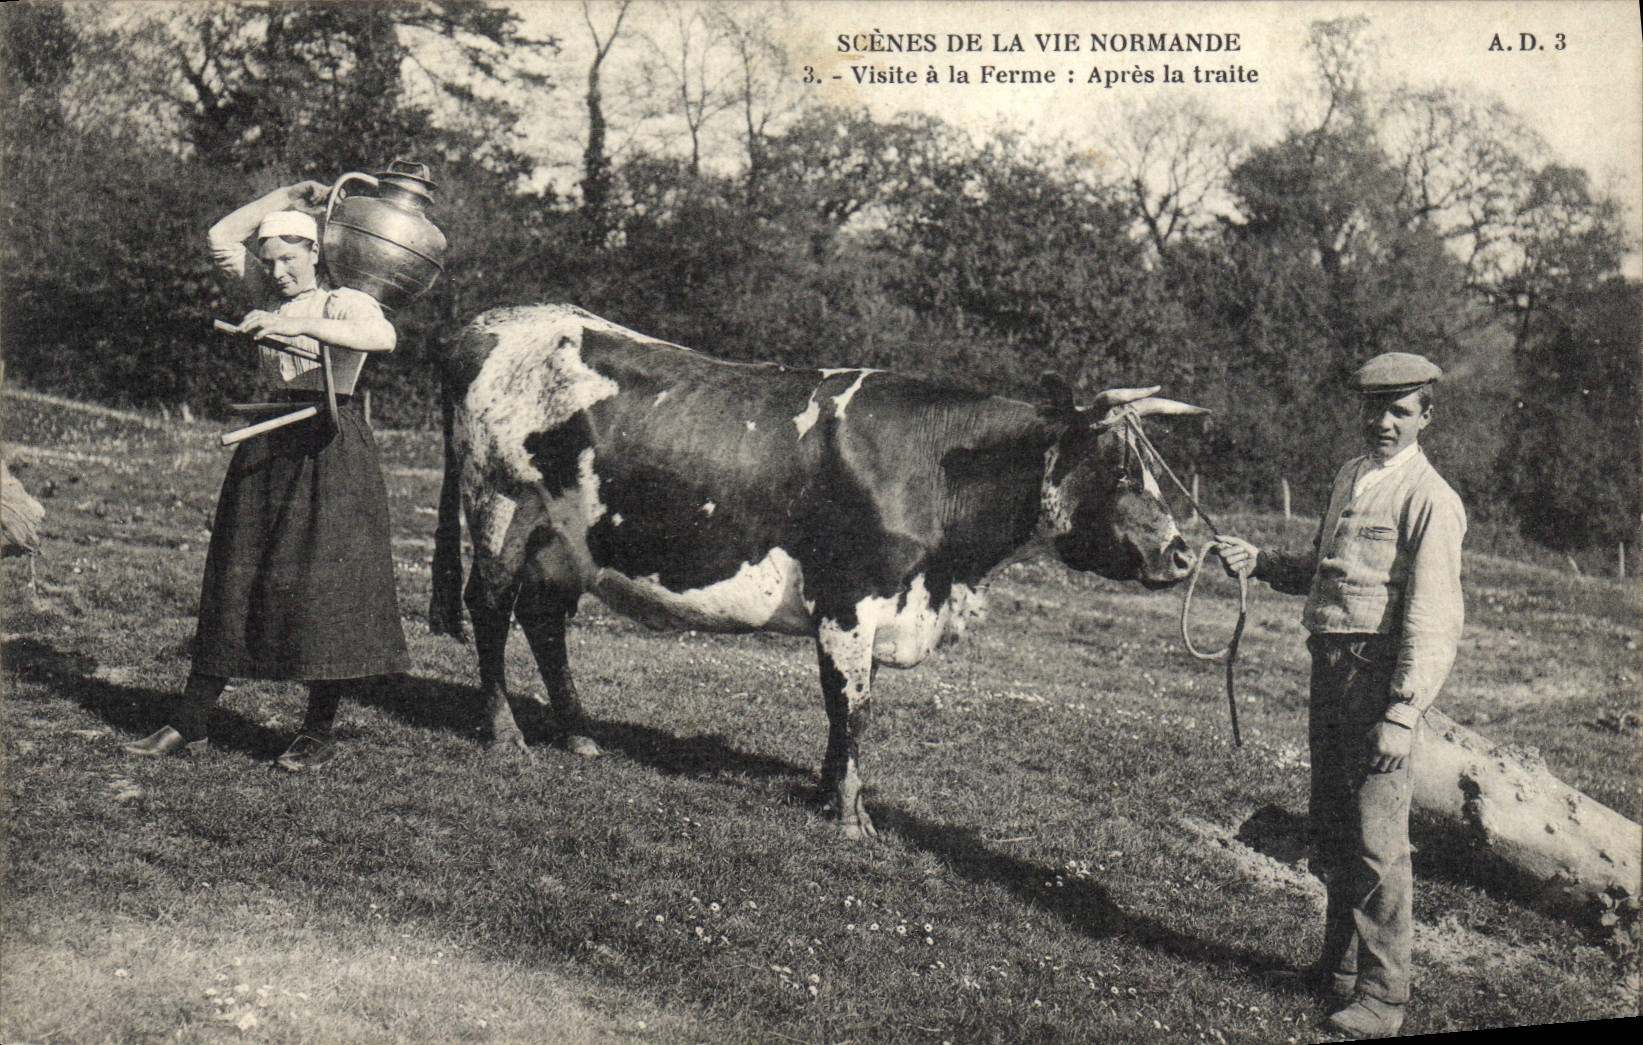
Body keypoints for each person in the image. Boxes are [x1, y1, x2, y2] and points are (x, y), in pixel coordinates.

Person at [1216, 352, 1466, 1039]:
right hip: (1328, 669)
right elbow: (1326, 569)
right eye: (1372, 408)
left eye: (1400, 410)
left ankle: (1385, 999)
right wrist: (1260, 561)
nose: (1382, 422)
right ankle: (1340, 973)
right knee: (1333, 827)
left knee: (1378, 838)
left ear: (1425, 416)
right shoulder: (1348, 476)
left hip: (1376, 677)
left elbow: (1434, 617)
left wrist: (1402, 711)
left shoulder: (1431, 498)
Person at [124, 182, 409, 771]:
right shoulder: (270, 297)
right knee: (235, 572)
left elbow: (382, 338)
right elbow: (220, 236)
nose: (277, 272)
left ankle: (317, 732)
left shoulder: (344, 301)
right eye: (270, 261)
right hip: (268, 442)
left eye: (289, 259)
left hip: (330, 444)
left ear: (317, 254)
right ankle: (191, 720)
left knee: (324, 585)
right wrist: (287, 194)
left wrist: (298, 330)